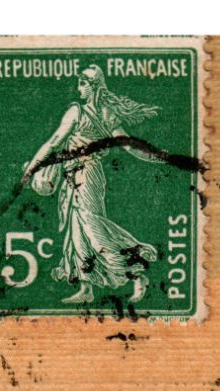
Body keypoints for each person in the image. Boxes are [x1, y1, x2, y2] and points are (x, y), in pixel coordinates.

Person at [23, 65, 162, 304]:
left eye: (83, 83)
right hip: (73, 175)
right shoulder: (101, 113)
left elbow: (54, 142)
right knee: (76, 230)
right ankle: (86, 289)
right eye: (79, 83)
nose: (79, 88)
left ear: (95, 85)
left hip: (87, 176)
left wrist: (30, 169)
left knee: (91, 227)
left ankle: (136, 273)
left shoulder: (82, 113)